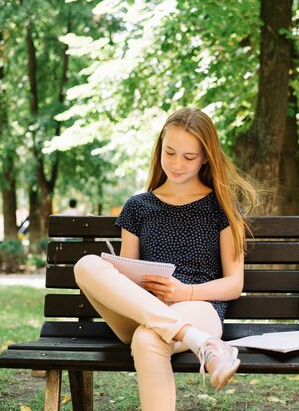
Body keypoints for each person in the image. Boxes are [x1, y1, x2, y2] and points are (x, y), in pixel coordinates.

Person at [73, 108, 258, 410]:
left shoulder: (221, 207)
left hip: (200, 308)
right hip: (143, 311)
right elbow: (125, 276)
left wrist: (185, 292)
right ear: (159, 148)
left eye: (189, 157)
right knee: (86, 265)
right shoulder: (138, 207)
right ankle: (201, 343)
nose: (176, 164)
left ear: (205, 158)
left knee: (148, 340)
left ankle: (198, 336)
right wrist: (143, 287)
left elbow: (234, 284)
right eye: (170, 152)